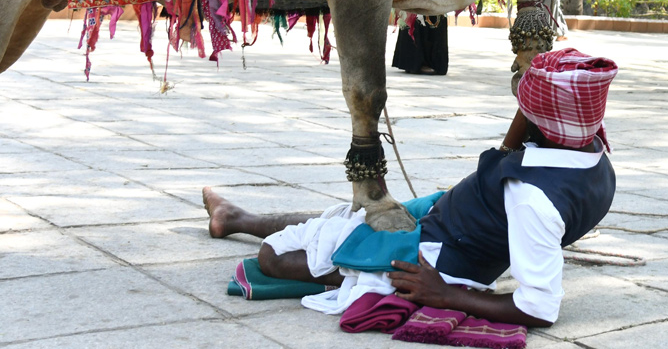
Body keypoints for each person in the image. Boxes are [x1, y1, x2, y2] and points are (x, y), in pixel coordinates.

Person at [203, 48, 618, 325]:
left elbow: (540, 307)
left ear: (541, 120)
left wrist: (444, 296)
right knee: (358, 215)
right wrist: (534, 99)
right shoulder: (594, 155)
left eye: (526, 105)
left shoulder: (532, 200)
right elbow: (511, 148)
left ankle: (271, 236)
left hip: (432, 258)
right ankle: (239, 217)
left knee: (273, 256)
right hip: (452, 219)